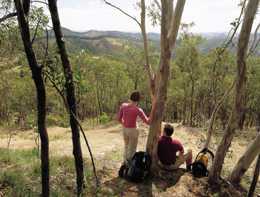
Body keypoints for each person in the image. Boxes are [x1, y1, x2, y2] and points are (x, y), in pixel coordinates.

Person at [118, 90, 156, 176]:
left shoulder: (123, 106)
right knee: (131, 149)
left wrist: (125, 124)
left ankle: (124, 163)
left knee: (126, 146)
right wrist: (152, 111)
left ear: (130, 97)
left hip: (125, 129)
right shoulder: (138, 110)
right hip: (133, 130)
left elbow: (119, 119)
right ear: (139, 99)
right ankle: (129, 169)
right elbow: (148, 122)